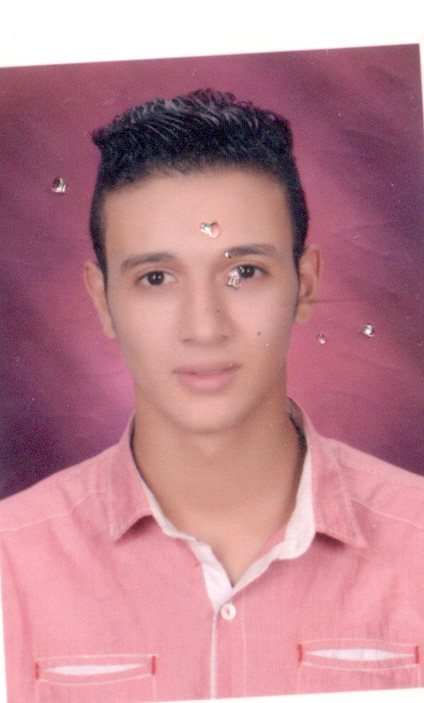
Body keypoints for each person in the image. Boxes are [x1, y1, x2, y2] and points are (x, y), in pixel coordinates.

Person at [1, 89, 424, 703]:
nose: (203, 327)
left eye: (243, 272)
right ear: (103, 301)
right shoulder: (11, 563)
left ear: (305, 285)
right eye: (156, 278)